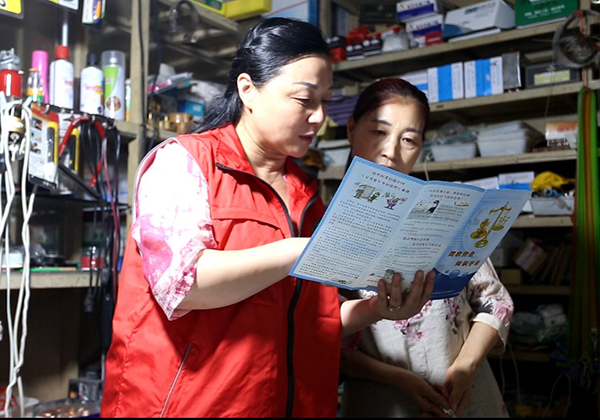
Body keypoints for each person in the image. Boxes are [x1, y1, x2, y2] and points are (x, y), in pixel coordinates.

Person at [99, 20, 434, 418]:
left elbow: (315, 317)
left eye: (325, 101)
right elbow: (184, 284)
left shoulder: (308, 196)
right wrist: (298, 251)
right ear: (248, 90)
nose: (318, 117)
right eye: (304, 99)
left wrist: (377, 309)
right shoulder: (184, 162)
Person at [338, 78, 513, 418]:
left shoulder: (446, 212)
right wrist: (400, 380)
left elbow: (496, 302)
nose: (391, 151)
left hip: (465, 397)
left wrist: (466, 366)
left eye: (409, 139)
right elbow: (321, 335)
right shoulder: (323, 226)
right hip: (384, 402)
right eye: (378, 132)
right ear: (351, 129)